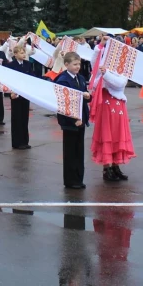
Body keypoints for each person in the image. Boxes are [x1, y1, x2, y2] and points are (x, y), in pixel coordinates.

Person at [91, 61, 136, 183]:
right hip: (105, 105)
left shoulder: (124, 67)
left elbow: (120, 84)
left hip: (118, 104)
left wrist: (106, 74)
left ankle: (116, 165)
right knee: (107, 135)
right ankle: (107, 168)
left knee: (117, 134)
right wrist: (102, 73)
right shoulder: (102, 64)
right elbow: (93, 83)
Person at [55, 52, 91, 189]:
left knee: (79, 150)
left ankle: (78, 178)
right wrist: (73, 119)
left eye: (79, 64)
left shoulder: (80, 78)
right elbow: (64, 103)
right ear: (66, 65)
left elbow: (84, 94)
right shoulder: (63, 80)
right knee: (71, 151)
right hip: (71, 121)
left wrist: (88, 96)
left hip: (81, 118)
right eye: (75, 64)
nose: (78, 67)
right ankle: (70, 180)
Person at [4, 39, 34, 149]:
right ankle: (17, 143)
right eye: (21, 52)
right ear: (15, 54)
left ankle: (25, 141)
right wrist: (10, 93)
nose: (23, 54)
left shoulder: (27, 64)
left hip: (25, 94)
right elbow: (7, 81)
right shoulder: (11, 65)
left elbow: (32, 77)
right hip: (15, 94)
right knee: (17, 118)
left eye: (24, 52)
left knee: (24, 117)